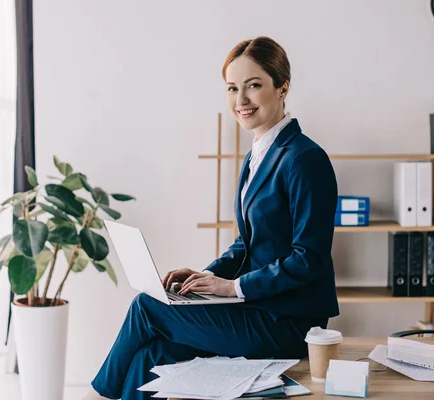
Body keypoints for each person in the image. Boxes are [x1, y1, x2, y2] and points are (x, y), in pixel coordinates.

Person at [83, 36, 339, 400]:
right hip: (256, 310)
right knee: (151, 355)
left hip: (287, 322)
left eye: (253, 86)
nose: (241, 101)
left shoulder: (304, 158)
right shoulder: (255, 156)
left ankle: (96, 396)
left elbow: (309, 259)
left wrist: (232, 288)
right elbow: (247, 243)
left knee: (146, 307)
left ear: (283, 87)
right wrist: (207, 277)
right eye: (232, 88)